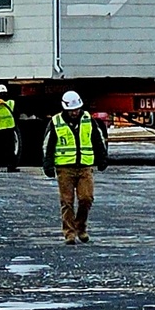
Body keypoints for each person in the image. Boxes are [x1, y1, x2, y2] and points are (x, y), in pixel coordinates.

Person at [42, 90, 108, 243]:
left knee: (86, 198)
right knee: (67, 202)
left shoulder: (88, 120)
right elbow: (48, 145)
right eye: (72, 110)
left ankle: (81, 226)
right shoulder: (56, 122)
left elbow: (98, 140)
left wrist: (102, 158)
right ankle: (69, 233)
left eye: (77, 109)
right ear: (65, 109)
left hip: (85, 166)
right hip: (65, 168)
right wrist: (48, 163)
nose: (75, 112)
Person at [0, 84, 18, 172]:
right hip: (9, 128)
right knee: (10, 149)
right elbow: (16, 115)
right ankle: (11, 167)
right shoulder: (11, 103)